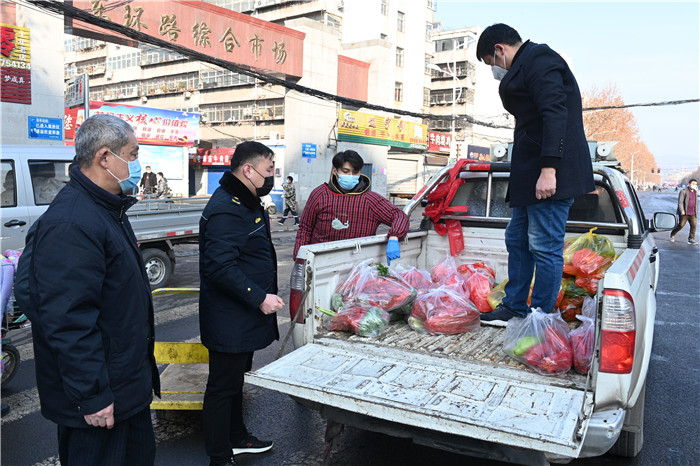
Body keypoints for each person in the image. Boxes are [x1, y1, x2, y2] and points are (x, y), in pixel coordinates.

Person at [19, 114, 160, 465]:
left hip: (126, 388)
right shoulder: (72, 222)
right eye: (132, 153)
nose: (136, 162)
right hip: (100, 401)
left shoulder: (107, 209)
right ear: (104, 157)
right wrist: (93, 395)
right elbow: (67, 321)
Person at [475, 24, 594, 326]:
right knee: (517, 238)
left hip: (550, 173)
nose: (495, 71)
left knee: (544, 246)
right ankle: (515, 306)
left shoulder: (540, 60)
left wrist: (549, 169)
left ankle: (540, 317)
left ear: (500, 49)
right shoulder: (528, 64)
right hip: (529, 173)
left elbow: (555, 113)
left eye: (492, 63)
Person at [199, 141, 283, 466]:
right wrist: (259, 297)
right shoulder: (227, 207)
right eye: (268, 170)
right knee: (222, 388)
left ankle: (237, 438)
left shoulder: (246, 202)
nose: (271, 177)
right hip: (229, 318)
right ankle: (219, 457)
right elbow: (219, 267)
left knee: (235, 383)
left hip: (239, 317)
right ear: (247, 170)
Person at [293, 150, 410, 264]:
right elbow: (305, 229)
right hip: (321, 264)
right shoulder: (320, 195)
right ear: (335, 171)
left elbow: (399, 216)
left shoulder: (370, 200)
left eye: (355, 172)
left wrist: (394, 236)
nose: (351, 176)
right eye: (346, 171)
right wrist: (300, 259)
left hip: (358, 265)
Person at [669, 179, 698, 245]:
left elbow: (696, 202)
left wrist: (696, 211)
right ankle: (673, 234)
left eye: (695, 184)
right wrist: (682, 210)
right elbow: (680, 202)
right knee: (681, 225)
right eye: (693, 183)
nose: (694, 185)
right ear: (689, 184)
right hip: (684, 212)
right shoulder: (683, 191)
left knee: (694, 226)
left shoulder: (695, 192)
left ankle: (691, 239)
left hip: (693, 212)